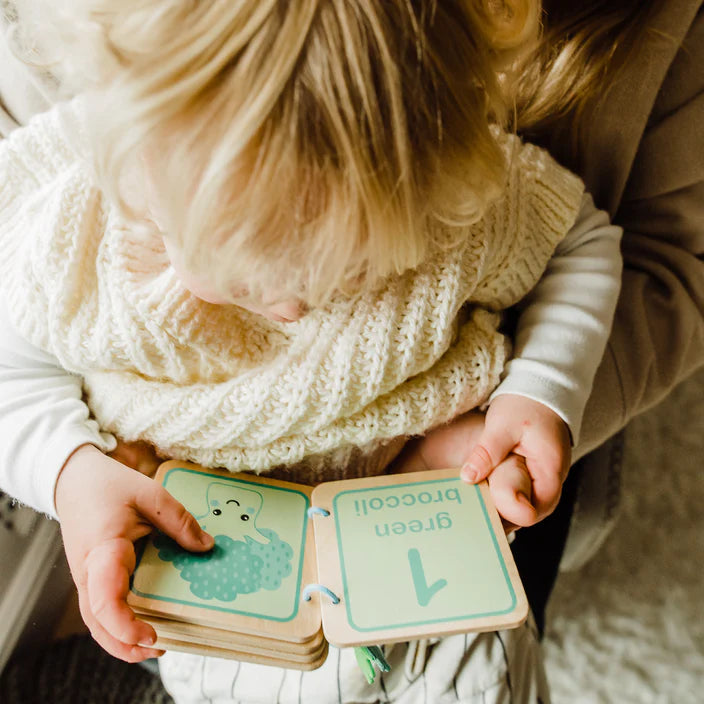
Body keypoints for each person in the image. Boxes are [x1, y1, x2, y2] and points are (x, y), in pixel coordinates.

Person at [0, 0, 700, 701]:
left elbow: (582, 242)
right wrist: (68, 471)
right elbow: (12, 366)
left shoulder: (457, 195)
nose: (291, 308)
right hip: (212, 573)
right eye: (242, 278)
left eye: (350, 271)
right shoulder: (75, 233)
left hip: (434, 526)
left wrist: (540, 390)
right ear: (138, 170)